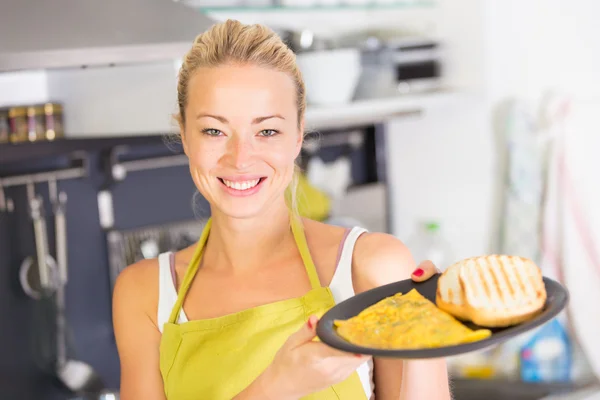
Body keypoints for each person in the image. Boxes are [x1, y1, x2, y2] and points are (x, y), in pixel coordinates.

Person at [112, 19, 451, 400]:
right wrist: (280, 385)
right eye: (214, 130)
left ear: (298, 136)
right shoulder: (144, 294)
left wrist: (431, 337)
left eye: (267, 131)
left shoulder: (370, 267)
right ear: (185, 135)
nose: (240, 158)